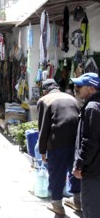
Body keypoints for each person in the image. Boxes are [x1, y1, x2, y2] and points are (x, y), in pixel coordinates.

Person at [37, 79, 80, 215]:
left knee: (57, 172)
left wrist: (42, 150)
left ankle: (57, 204)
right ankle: (78, 201)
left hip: (57, 142)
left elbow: (43, 127)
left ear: (44, 90)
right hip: (76, 140)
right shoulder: (71, 98)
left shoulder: (44, 100)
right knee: (75, 170)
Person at [70, 72, 100, 217]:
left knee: (91, 210)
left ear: (91, 88)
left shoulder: (92, 108)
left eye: (79, 86)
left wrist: (79, 165)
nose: (76, 88)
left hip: (93, 170)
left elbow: (90, 141)